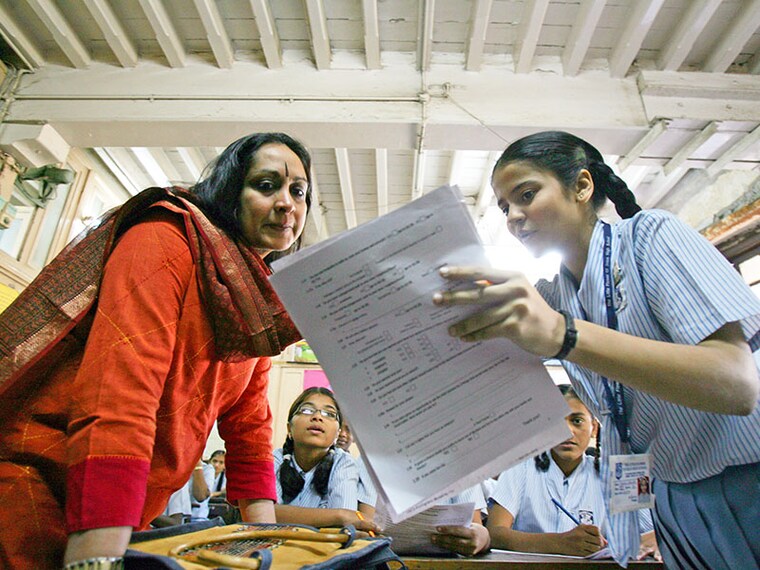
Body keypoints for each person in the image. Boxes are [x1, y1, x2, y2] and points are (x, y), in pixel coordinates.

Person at [433, 130, 760, 568]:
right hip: (670, 496)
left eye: (526, 194)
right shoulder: (556, 296)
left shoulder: (650, 238)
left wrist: (566, 335)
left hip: (744, 478)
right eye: (505, 206)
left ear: (582, 186)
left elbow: (737, 384)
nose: (514, 216)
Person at [0, 132, 313, 569]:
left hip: (124, 511)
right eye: (266, 185)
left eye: (298, 191)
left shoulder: (254, 299)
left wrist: (264, 538)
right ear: (229, 191)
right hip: (42, 488)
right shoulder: (164, 238)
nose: (287, 203)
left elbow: (250, 422)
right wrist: (97, 554)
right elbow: (121, 389)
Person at [487, 384, 658, 559]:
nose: (567, 431)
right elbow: (495, 533)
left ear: (594, 428)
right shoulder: (520, 468)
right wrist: (559, 543)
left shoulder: (619, 473)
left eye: (577, 421)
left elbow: (656, 532)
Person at [273, 387, 377, 533]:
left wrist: (342, 517)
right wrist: (339, 516)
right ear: (289, 428)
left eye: (329, 414)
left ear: (337, 434)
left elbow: (345, 526)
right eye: (307, 410)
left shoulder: (343, 463)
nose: (317, 417)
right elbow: (266, 515)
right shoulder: (273, 460)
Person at [336, 421, 377, 519]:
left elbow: (366, 517)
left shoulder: (359, 466)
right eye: (339, 428)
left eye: (348, 430)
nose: (342, 434)